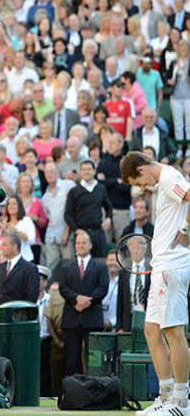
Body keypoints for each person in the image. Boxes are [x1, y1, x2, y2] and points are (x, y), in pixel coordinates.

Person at [121, 151, 190, 415]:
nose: (143, 187)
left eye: (139, 183)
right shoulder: (163, 181)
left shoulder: (170, 176)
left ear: (141, 170)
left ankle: (182, 401)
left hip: (173, 264)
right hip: (160, 265)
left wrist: (185, 230)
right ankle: (166, 394)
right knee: (151, 330)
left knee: (174, 332)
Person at [59, 230, 109, 376]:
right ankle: (73, 392)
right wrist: (76, 299)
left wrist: (88, 300)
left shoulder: (100, 266)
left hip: (92, 318)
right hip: (72, 319)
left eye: (84, 242)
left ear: (90, 245)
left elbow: (103, 287)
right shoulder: (66, 267)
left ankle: (94, 390)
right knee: (71, 360)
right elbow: (63, 288)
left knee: (94, 360)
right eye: (78, 243)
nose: (80, 245)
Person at [0, 232, 39, 328]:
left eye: (4, 245)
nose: (1, 248)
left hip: (17, 325)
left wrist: (20, 318)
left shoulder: (29, 269)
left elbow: (31, 297)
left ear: (14, 247)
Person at [64, 160, 113, 257]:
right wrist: (76, 230)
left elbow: (109, 207)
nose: (86, 172)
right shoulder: (74, 191)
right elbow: (67, 214)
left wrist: (108, 218)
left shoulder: (101, 188)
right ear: (81, 172)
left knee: (100, 261)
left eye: (89, 169)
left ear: (94, 171)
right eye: (83, 170)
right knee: (81, 265)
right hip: (81, 233)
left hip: (98, 232)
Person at [96, 132, 132, 242]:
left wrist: (107, 181)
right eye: (108, 143)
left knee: (122, 245)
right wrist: (116, 181)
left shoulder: (127, 163)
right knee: (105, 244)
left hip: (122, 210)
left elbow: (127, 187)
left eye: (112, 143)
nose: (109, 145)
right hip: (105, 210)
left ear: (120, 145)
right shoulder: (103, 162)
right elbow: (99, 185)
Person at [41, 162, 75, 267]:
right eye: (47, 172)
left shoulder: (68, 185)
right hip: (51, 236)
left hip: (66, 234)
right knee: (51, 267)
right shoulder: (45, 196)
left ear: (58, 173)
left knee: (69, 266)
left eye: (52, 171)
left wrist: (67, 231)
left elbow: (74, 209)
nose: (49, 174)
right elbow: (48, 216)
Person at [116, 234, 151, 333]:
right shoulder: (124, 272)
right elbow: (120, 299)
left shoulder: (152, 270)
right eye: (134, 247)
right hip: (129, 318)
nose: (137, 250)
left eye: (140, 247)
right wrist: (119, 326)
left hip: (148, 316)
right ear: (129, 249)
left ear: (145, 250)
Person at [36, 265, 51, 398]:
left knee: (46, 371)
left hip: (46, 340)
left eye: (40, 279)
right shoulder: (29, 299)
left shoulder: (51, 299)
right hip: (32, 341)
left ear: (45, 282)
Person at [102, 250, 119, 331]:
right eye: (110, 260)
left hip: (116, 327)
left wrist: (112, 322)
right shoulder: (99, 281)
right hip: (98, 326)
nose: (112, 263)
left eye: (116, 261)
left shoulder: (126, 284)